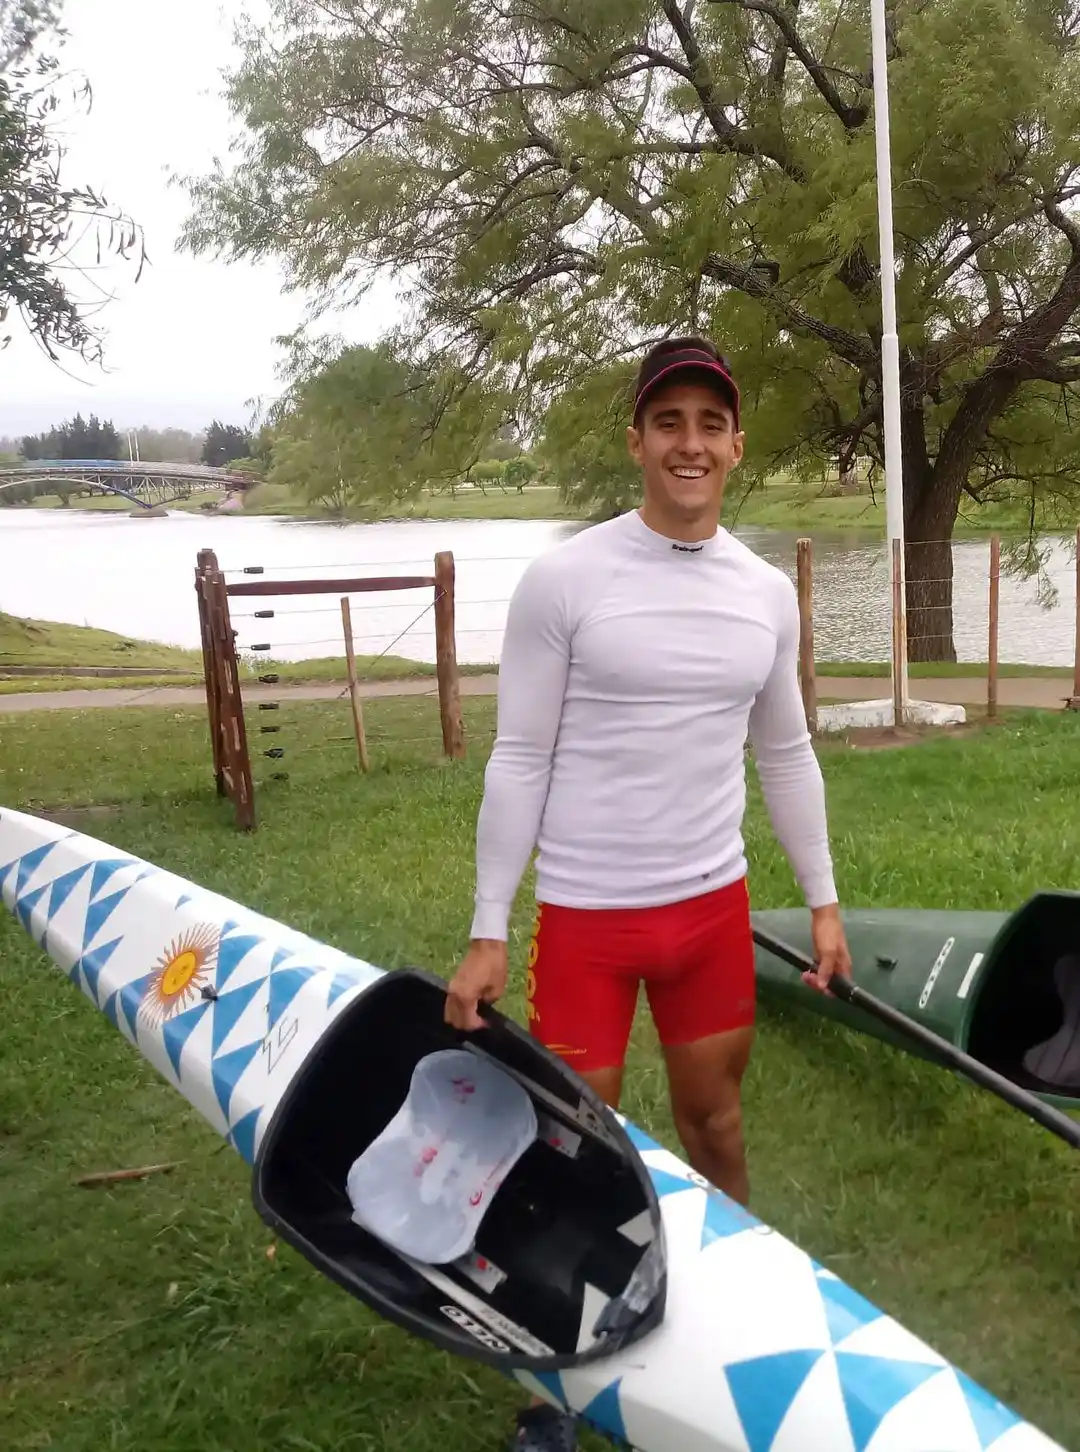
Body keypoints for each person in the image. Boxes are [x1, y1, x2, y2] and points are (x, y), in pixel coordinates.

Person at [444, 336, 852, 1452]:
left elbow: (788, 753)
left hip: (711, 914)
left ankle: (741, 1333)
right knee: (573, 1155)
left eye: (709, 424)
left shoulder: (765, 595)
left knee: (715, 1128)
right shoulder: (566, 580)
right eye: (667, 421)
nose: (690, 443)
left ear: (736, 448)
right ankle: (554, 1392)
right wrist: (491, 931)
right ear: (636, 440)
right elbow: (518, 759)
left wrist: (820, 903)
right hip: (587, 923)